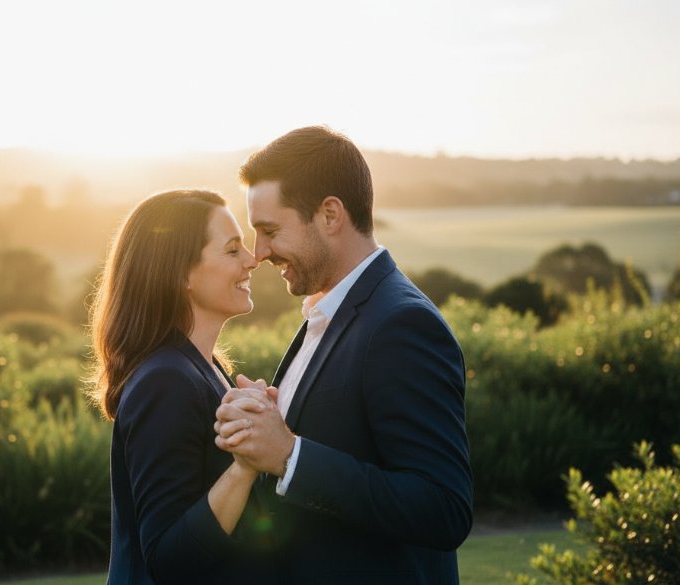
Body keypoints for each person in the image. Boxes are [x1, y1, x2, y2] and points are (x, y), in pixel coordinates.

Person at [214, 126, 473, 584]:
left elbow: (443, 508)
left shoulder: (401, 326)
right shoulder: (327, 312)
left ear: (330, 215)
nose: (260, 253)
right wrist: (266, 420)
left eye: (270, 231)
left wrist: (289, 455)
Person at [91, 190, 273, 585]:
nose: (252, 259)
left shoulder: (207, 368)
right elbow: (169, 559)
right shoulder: (165, 381)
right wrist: (244, 467)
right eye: (231, 250)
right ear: (180, 274)